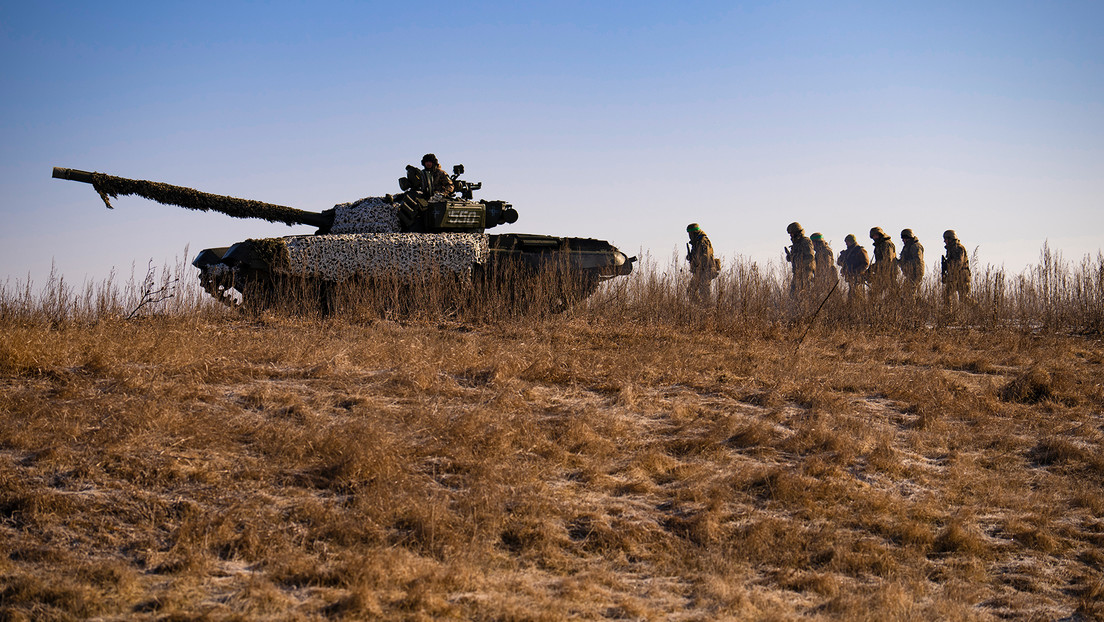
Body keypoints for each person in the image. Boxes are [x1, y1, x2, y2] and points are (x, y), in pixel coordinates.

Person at [686, 223, 718, 304]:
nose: (689, 236)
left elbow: (705, 256)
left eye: (690, 233)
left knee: (704, 292)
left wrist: (696, 261)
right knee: (691, 291)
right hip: (700, 270)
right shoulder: (696, 242)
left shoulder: (702, 241)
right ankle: (700, 307)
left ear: (694, 233)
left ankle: (706, 308)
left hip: (705, 270)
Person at [941, 229, 971, 306]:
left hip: (961, 277)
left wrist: (949, 265)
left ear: (950, 239)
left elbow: (958, 263)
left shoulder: (958, 248)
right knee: (946, 295)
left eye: (946, 239)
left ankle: (978, 310)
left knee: (963, 298)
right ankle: (948, 314)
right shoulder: (951, 249)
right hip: (954, 277)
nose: (944, 241)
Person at [784, 222, 815, 296]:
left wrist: (801, 265)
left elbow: (810, 256)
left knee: (806, 295)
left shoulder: (805, 241)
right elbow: (794, 258)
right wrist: (789, 257)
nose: (791, 235)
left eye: (792, 233)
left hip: (806, 273)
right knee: (793, 295)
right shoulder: (796, 243)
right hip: (797, 273)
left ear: (796, 232)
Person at [837, 234, 869, 302]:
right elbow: (839, 262)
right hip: (850, 277)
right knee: (851, 294)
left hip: (858, 277)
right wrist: (842, 257)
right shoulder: (847, 252)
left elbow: (865, 263)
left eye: (847, 242)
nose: (846, 243)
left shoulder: (860, 250)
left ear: (851, 241)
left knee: (857, 295)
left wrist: (856, 272)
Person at [868, 226, 899, 295]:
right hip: (882, 273)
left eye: (876, 235)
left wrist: (873, 267)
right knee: (874, 294)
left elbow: (887, 260)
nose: (874, 237)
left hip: (889, 273)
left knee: (894, 293)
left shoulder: (886, 244)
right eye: (873, 236)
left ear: (880, 234)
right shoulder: (879, 245)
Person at [899, 228, 925, 298]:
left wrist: (906, 263)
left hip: (915, 273)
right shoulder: (907, 247)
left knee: (909, 292)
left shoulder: (915, 246)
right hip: (910, 273)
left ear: (908, 238)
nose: (903, 240)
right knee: (905, 291)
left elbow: (917, 260)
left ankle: (912, 306)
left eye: (904, 238)